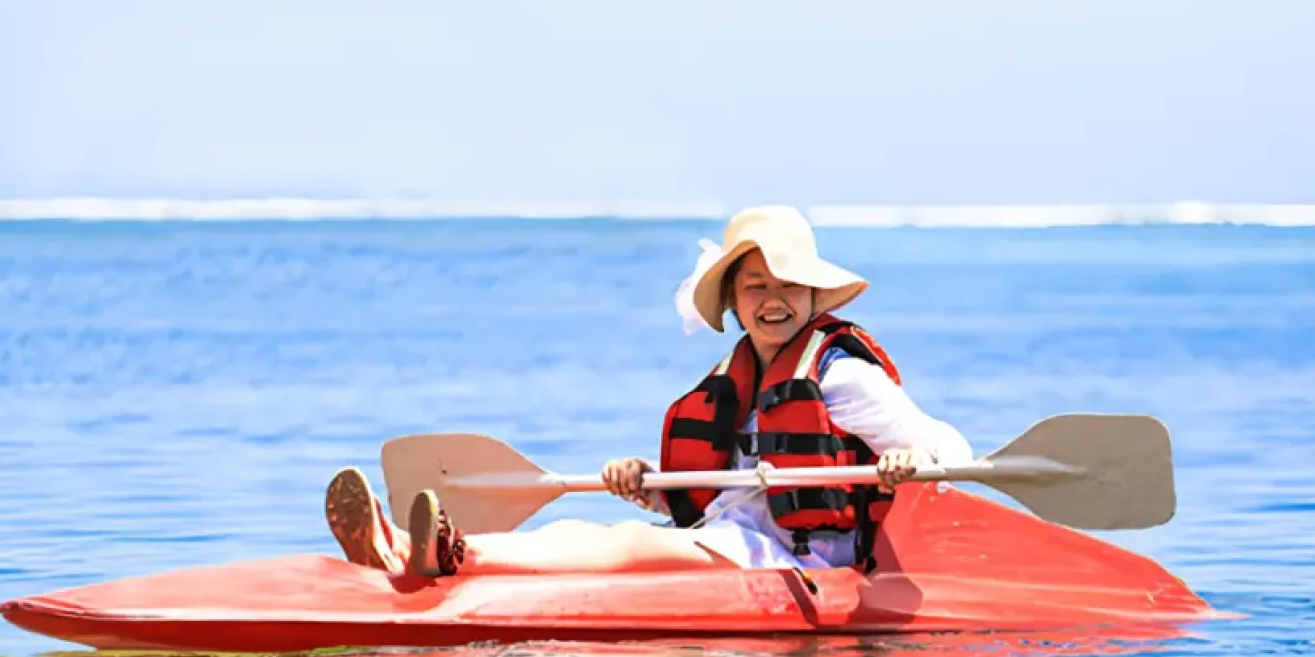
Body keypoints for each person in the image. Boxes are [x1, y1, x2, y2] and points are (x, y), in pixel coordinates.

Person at [322, 205, 974, 579]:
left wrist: (909, 463)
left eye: (786, 287)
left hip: (809, 568)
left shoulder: (839, 374)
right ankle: (430, 548)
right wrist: (647, 482)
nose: (772, 301)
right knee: (592, 528)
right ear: (734, 301)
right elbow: (714, 491)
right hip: (737, 544)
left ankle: (435, 553)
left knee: (625, 548)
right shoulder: (730, 377)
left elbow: (949, 446)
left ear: (809, 295)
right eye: (755, 287)